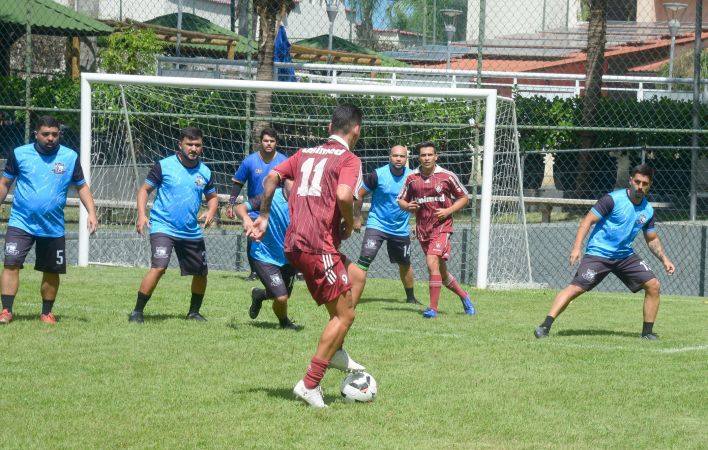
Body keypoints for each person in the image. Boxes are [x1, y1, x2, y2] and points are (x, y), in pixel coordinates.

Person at [249, 104, 367, 408]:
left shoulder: (304, 154)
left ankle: (336, 349)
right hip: (318, 246)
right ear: (356, 130)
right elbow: (344, 195)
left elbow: (271, 177)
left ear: (330, 127)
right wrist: (349, 222)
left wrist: (263, 215)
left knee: (356, 276)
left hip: (295, 243)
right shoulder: (350, 159)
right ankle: (310, 384)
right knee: (345, 315)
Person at [534, 164, 675, 340]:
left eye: (644, 184)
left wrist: (664, 259)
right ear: (631, 180)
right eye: (637, 182)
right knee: (576, 288)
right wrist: (577, 247)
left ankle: (647, 334)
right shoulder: (612, 200)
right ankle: (545, 326)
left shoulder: (648, 210)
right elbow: (587, 221)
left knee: (653, 285)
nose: (640, 187)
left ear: (650, 185)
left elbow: (652, 239)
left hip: (625, 256)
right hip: (599, 254)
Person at [0, 115, 97, 325]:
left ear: (59, 134)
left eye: (54, 134)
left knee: (51, 270)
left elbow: (81, 186)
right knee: (11, 263)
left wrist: (92, 212)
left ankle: (46, 313)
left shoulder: (69, 156)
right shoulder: (19, 153)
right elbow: (5, 183)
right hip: (21, 222)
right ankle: (6, 310)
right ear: (36, 134)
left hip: (53, 226)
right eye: (46, 134)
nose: (50, 138)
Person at [129, 127, 218, 323]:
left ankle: (193, 313)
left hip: (190, 230)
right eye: (189, 144)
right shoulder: (164, 166)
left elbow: (212, 197)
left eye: (197, 145)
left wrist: (211, 211)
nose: (193, 148)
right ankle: (137, 312)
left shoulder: (205, 171)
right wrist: (142, 215)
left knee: (201, 272)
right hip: (163, 226)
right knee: (159, 267)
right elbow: (144, 190)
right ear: (180, 145)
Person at [397, 142, 475, 319]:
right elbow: (401, 200)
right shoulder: (411, 178)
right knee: (442, 272)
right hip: (423, 230)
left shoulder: (447, 176)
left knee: (431, 262)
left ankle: (432, 309)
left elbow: (464, 198)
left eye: (430, 155)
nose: (426, 158)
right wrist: (407, 206)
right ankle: (464, 296)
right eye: (423, 155)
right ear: (418, 157)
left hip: (442, 227)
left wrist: (448, 211)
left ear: (436, 156)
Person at [354, 145, 421, 305]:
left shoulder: (413, 177)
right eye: (395, 156)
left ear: (406, 159)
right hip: (377, 224)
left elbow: (420, 202)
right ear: (389, 157)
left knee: (405, 264)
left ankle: (411, 298)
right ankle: (352, 296)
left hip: (400, 228)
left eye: (402, 156)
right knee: (365, 259)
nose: (398, 159)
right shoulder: (377, 175)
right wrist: (356, 217)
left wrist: (418, 223)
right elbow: (359, 195)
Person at [235, 180, 300, 330]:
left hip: (289, 257)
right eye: (293, 180)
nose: (296, 184)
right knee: (281, 297)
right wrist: (246, 219)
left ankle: (258, 295)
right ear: (284, 182)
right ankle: (285, 323)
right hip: (264, 255)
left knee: (281, 293)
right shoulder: (270, 196)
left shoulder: (305, 200)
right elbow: (240, 208)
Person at [226, 128, 287, 281]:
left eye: (272, 141)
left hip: (277, 210)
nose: (269, 144)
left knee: (282, 240)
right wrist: (230, 204)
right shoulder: (250, 161)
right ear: (261, 142)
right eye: (266, 140)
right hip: (254, 208)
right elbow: (238, 183)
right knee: (252, 238)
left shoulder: (284, 161)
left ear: (276, 142)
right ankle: (254, 272)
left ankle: (286, 270)